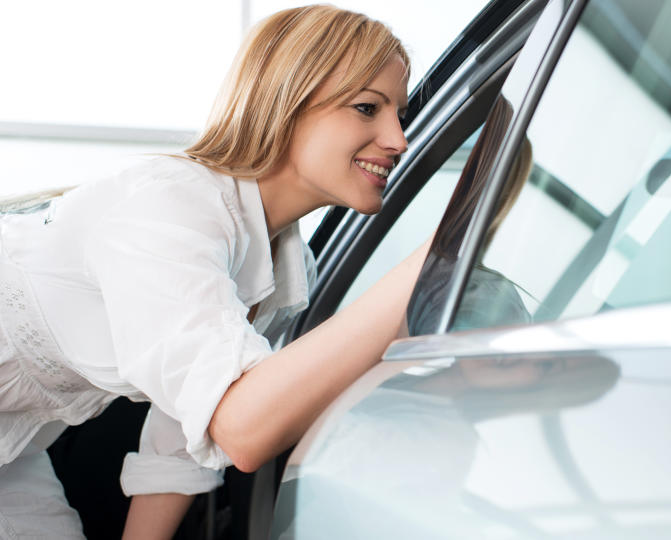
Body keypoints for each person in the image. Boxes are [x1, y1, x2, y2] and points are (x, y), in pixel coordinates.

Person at [0, 5, 424, 539]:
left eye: (400, 116)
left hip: (15, 451)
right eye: (368, 108)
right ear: (285, 102)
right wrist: (433, 260)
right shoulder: (174, 206)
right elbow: (243, 427)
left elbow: (185, 434)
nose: (398, 140)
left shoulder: (285, 267)